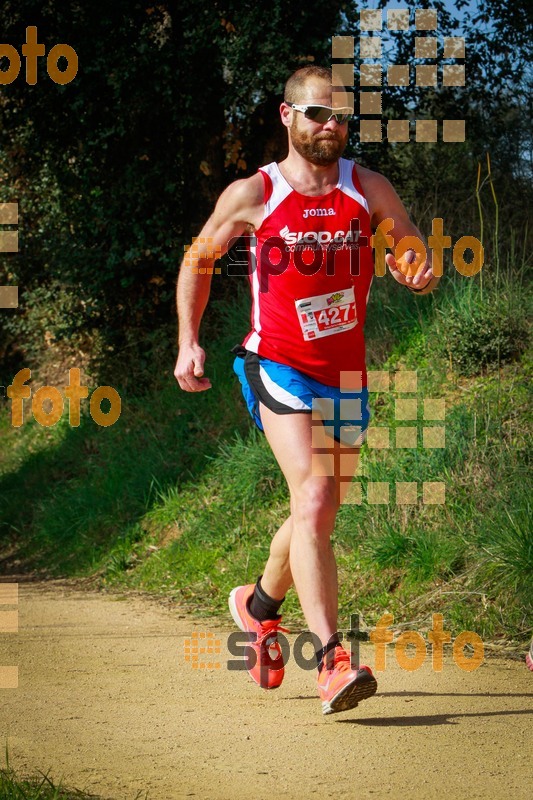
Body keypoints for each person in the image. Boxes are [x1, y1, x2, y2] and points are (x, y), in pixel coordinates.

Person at [175, 65, 439, 715]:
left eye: (340, 117)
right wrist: (188, 339)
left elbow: (405, 242)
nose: (331, 126)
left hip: (345, 374)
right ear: (286, 116)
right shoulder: (253, 193)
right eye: (317, 114)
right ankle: (330, 660)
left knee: (312, 515)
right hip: (276, 366)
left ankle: (258, 605)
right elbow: (198, 260)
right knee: (315, 494)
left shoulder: (366, 186)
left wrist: (416, 268)